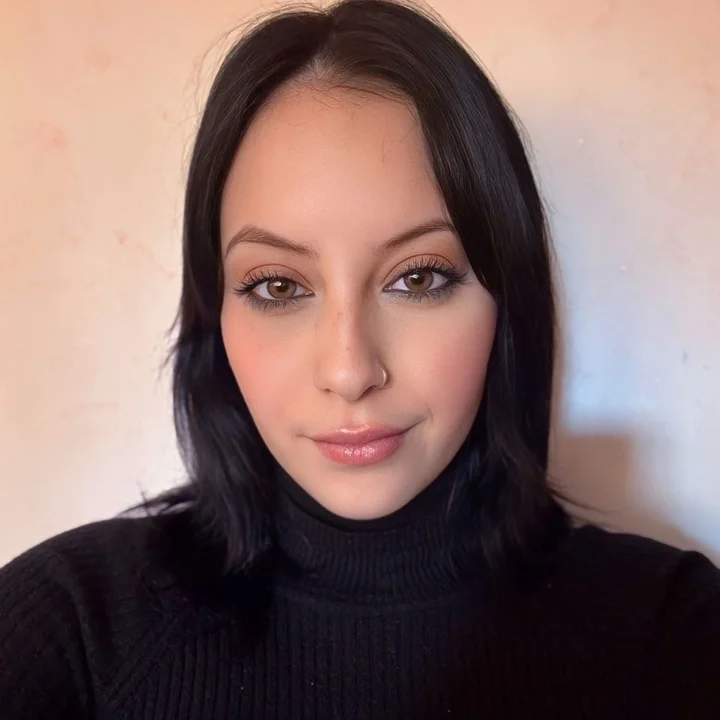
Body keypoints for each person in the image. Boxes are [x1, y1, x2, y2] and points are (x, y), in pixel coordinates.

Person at [1, 0, 719, 717]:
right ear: (213, 308)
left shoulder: (670, 636)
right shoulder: (70, 629)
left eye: (420, 278)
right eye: (278, 286)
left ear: (509, 298)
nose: (349, 372)